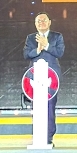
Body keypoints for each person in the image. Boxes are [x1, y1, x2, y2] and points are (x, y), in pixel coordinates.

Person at [23, 13, 65, 145]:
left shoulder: (57, 36)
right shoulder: (30, 38)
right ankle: (38, 135)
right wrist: (38, 49)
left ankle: (48, 136)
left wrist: (47, 45)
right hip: (35, 77)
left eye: (44, 20)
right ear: (35, 24)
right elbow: (26, 54)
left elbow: (59, 53)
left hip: (52, 77)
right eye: (38, 21)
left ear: (49, 22)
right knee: (36, 106)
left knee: (50, 105)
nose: (41, 22)